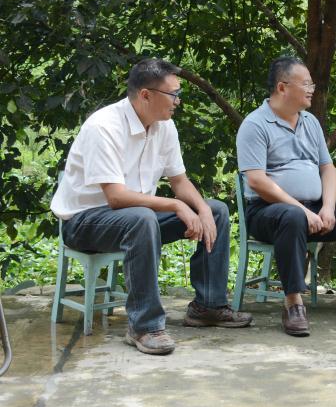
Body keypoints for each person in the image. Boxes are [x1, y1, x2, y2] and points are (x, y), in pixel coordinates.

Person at [51, 58, 252, 356]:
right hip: (85, 222)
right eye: (174, 94)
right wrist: (175, 205)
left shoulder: (164, 126)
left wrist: (201, 209)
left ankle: (208, 307)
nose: (178, 101)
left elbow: (180, 181)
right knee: (142, 219)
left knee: (216, 210)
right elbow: (116, 197)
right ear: (146, 95)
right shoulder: (103, 126)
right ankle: (144, 326)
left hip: (136, 218)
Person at [236, 56, 336, 337]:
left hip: (314, 208)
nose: (312, 89)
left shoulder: (310, 122)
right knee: (292, 216)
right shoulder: (255, 124)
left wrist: (329, 208)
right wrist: (302, 210)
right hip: (267, 212)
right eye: (306, 84)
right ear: (282, 87)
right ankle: (293, 303)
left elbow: (328, 169)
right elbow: (257, 181)